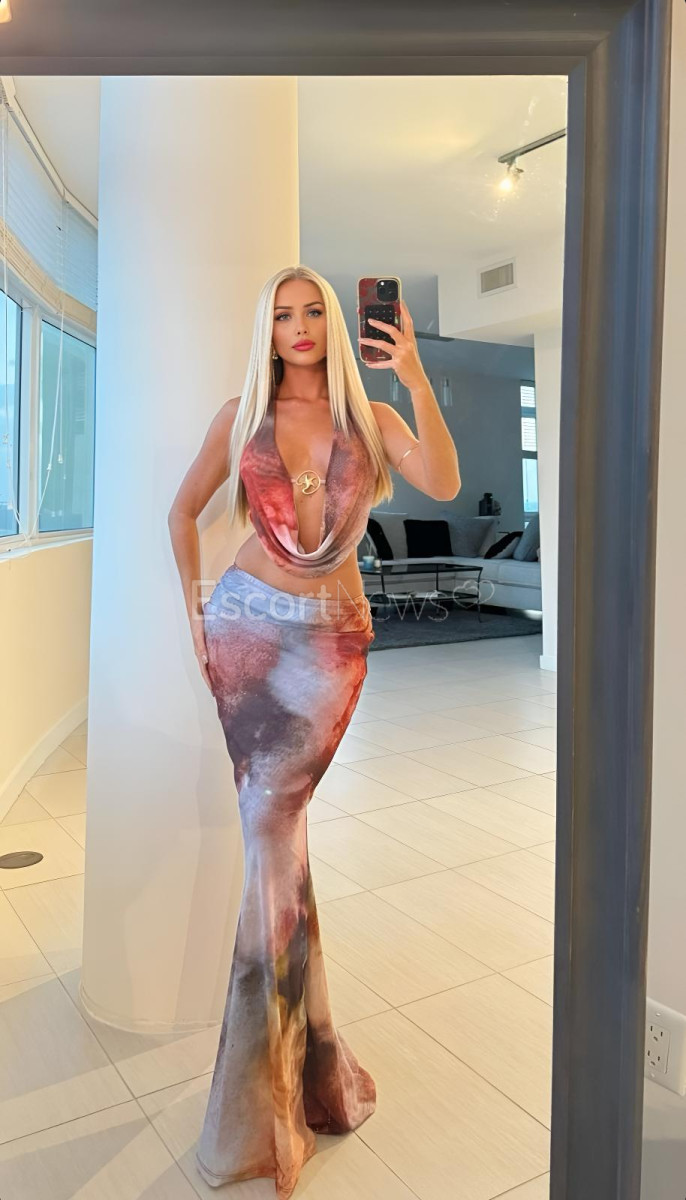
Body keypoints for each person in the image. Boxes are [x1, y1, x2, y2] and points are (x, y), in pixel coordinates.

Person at [167, 264, 460, 1198]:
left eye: (312, 312)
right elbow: (181, 512)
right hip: (247, 636)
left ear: (336, 323)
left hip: (329, 649)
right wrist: (197, 612)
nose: (297, 327)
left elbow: (444, 482)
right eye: (281, 315)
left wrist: (413, 375)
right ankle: (289, 1085)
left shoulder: (370, 422)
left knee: (276, 842)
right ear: (267, 330)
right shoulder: (241, 417)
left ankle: (277, 1092)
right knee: (276, 847)